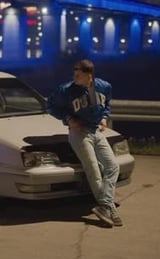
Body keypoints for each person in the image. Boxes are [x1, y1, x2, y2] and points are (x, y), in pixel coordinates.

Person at [47, 59, 122, 227]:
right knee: (93, 168)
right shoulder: (66, 90)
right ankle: (109, 208)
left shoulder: (104, 87)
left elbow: (107, 104)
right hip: (78, 133)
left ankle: (104, 206)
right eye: (74, 74)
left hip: (96, 131)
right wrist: (68, 118)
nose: (75, 77)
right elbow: (50, 105)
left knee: (112, 167)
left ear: (89, 75)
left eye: (79, 75)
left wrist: (103, 117)